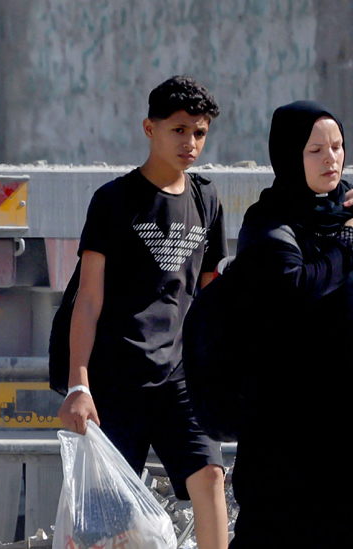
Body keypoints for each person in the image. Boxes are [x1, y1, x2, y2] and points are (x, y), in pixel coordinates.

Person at [228, 101, 353, 548]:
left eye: (337, 147)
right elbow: (293, 289)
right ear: (289, 156)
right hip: (301, 428)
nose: (331, 159)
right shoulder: (269, 223)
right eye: (315, 150)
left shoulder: (351, 206)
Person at [58, 75, 229, 549]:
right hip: (118, 379)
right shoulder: (114, 201)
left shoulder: (207, 200)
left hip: (181, 377)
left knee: (211, 476)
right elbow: (87, 299)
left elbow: (210, 293)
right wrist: (78, 385)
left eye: (199, 132)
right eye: (179, 130)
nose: (190, 143)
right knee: (110, 520)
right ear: (149, 128)